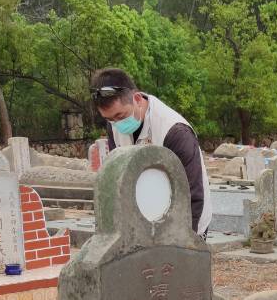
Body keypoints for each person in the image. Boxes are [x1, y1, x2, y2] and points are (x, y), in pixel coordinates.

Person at [91, 68, 212, 233]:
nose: (116, 124)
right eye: (109, 119)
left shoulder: (174, 131)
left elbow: (193, 194)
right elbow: (120, 178)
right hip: (144, 218)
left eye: (120, 116)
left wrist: (186, 243)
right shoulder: (114, 125)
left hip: (187, 216)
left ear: (137, 99)